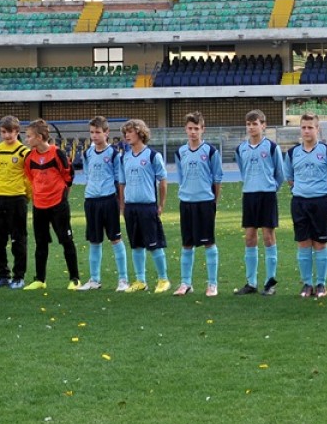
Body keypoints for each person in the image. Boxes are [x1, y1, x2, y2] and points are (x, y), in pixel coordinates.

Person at [284, 113, 327, 298]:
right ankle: (307, 284)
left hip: (320, 201)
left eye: (310, 127)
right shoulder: (293, 153)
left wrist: (319, 190)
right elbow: (290, 179)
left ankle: (321, 284)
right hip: (299, 202)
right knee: (303, 243)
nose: (306, 131)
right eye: (303, 127)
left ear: (318, 129)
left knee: (320, 243)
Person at [22, 119, 81, 291]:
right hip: (39, 205)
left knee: (66, 241)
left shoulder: (58, 154)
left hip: (58, 205)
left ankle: (75, 279)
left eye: (29, 136)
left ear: (40, 137)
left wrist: (61, 197)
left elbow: (68, 177)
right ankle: (40, 279)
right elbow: (31, 177)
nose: (27, 140)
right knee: (40, 243)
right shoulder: (29, 157)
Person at [234, 109, 283, 296]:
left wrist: (270, 188)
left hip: (267, 195)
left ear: (264, 125)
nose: (251, 127)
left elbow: (280, 174)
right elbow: (242, 170)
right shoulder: (241, 149)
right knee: (249, 237)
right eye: (248, 124)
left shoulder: (271, 147)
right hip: (249, 195)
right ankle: (251, 283)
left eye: (255, 124)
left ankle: (270, 283)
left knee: (268, 236)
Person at [78, 116, 130, 292]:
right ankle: (94, 279)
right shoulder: (87, 153)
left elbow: (119, 179)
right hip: (91, 200)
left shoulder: (114, 154)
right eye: (92, 132)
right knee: (94, 240)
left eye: (98, 132)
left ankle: (123, 279)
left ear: (106, 133)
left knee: (115, 238)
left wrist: (120, 203)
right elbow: (87, 174)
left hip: (108, 200)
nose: (94, 136)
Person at [174, 111, 222, 297]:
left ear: (203, 130)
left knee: (209, 242)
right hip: (186, 202)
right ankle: (186, 283)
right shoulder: (180, 152)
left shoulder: (210, 151)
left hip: (205, 203)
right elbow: (180, 177)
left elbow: (217, 178)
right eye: (190, 128)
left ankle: (212, 284)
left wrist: (213, 201)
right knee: (187, 244)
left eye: (196, 128)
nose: (193, 132)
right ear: (185, 130)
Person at [120, 118, 170, 293]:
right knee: (136, 245)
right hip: (130, 207)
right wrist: (122, 205)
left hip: (147, 206)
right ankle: (140, 280)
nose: (127, 135)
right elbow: (122, 183)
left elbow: (163, 181)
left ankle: (163, 279)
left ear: (140, 133)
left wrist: (161, 205)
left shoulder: (152, 155)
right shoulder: (124, 157)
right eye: (125, 132)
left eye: (130, 132)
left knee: (154, 244)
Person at [0, 115, 30, 289]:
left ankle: (19, 276)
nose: (7, 136)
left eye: (10, 132)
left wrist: (26, 196)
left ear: (17, 132)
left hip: (17, 198)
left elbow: (29, 177)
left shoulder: (24, 153)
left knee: (18, 239)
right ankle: (2, 275)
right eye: (3, 132)